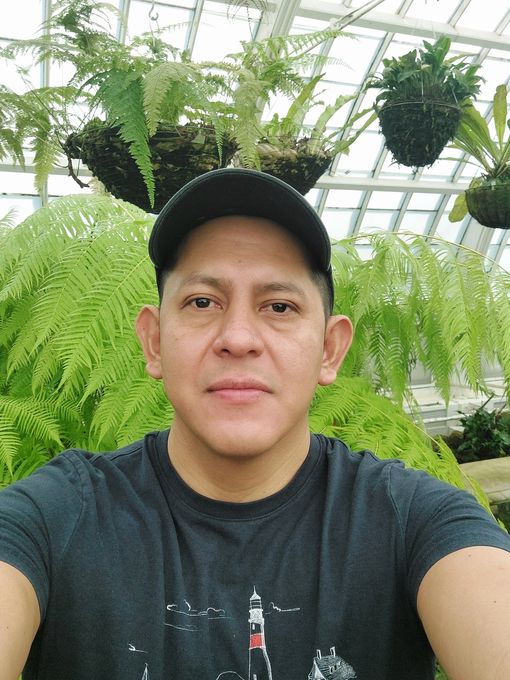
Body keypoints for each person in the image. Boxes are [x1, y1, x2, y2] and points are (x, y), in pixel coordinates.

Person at [0, 168, 509, 680]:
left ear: (330, 349)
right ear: (154, 341)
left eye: (279, 306)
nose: (239, 338)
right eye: (202, 302)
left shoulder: (412, 522)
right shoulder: (55, 517)